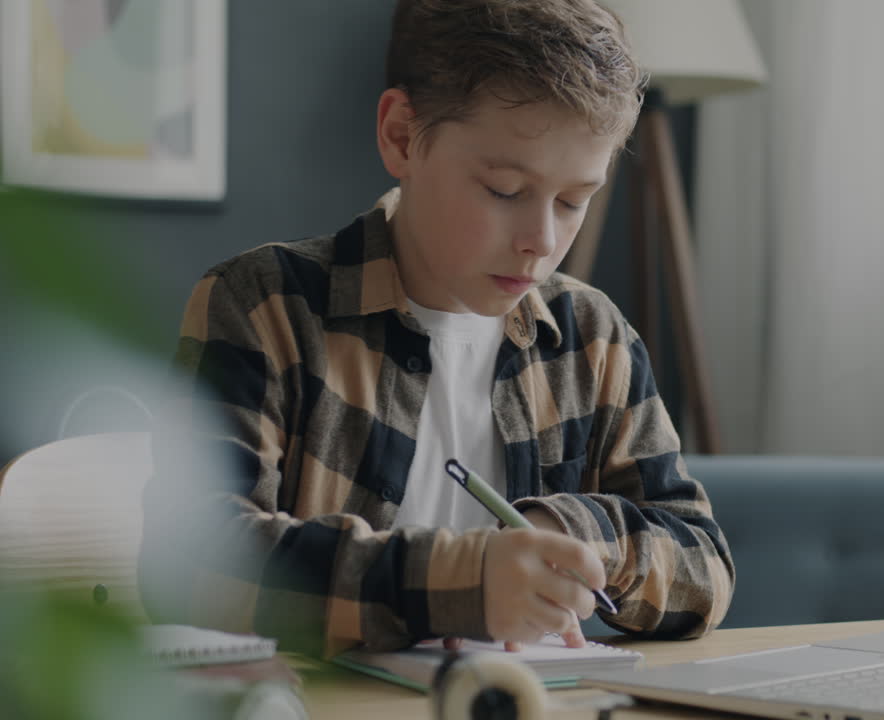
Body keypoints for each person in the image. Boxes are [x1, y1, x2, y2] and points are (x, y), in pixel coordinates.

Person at [138, 0, 734, 658]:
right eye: (505, 189)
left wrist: (570, 530)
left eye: (573, 201)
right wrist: (458, 584)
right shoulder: (265, 305)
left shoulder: (594, 337)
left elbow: (704, 567)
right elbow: (191, 563)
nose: (541, 241)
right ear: (401, 137)